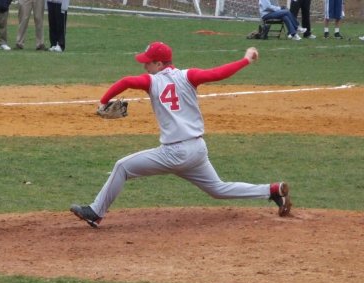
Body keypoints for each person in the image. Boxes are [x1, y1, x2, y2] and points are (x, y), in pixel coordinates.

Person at [70, 42, 293, 227]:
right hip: (197, 149)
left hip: (174, 152)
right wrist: (245, 59)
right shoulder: (189, 76)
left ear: (159, 63)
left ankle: (96, 212)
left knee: (122, 166)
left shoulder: (152, 81)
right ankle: (272, 190)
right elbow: (217, 73)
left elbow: (127, 81)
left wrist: (102, 101)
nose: (145, 66)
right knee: (217, 189)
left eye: (148, 62)